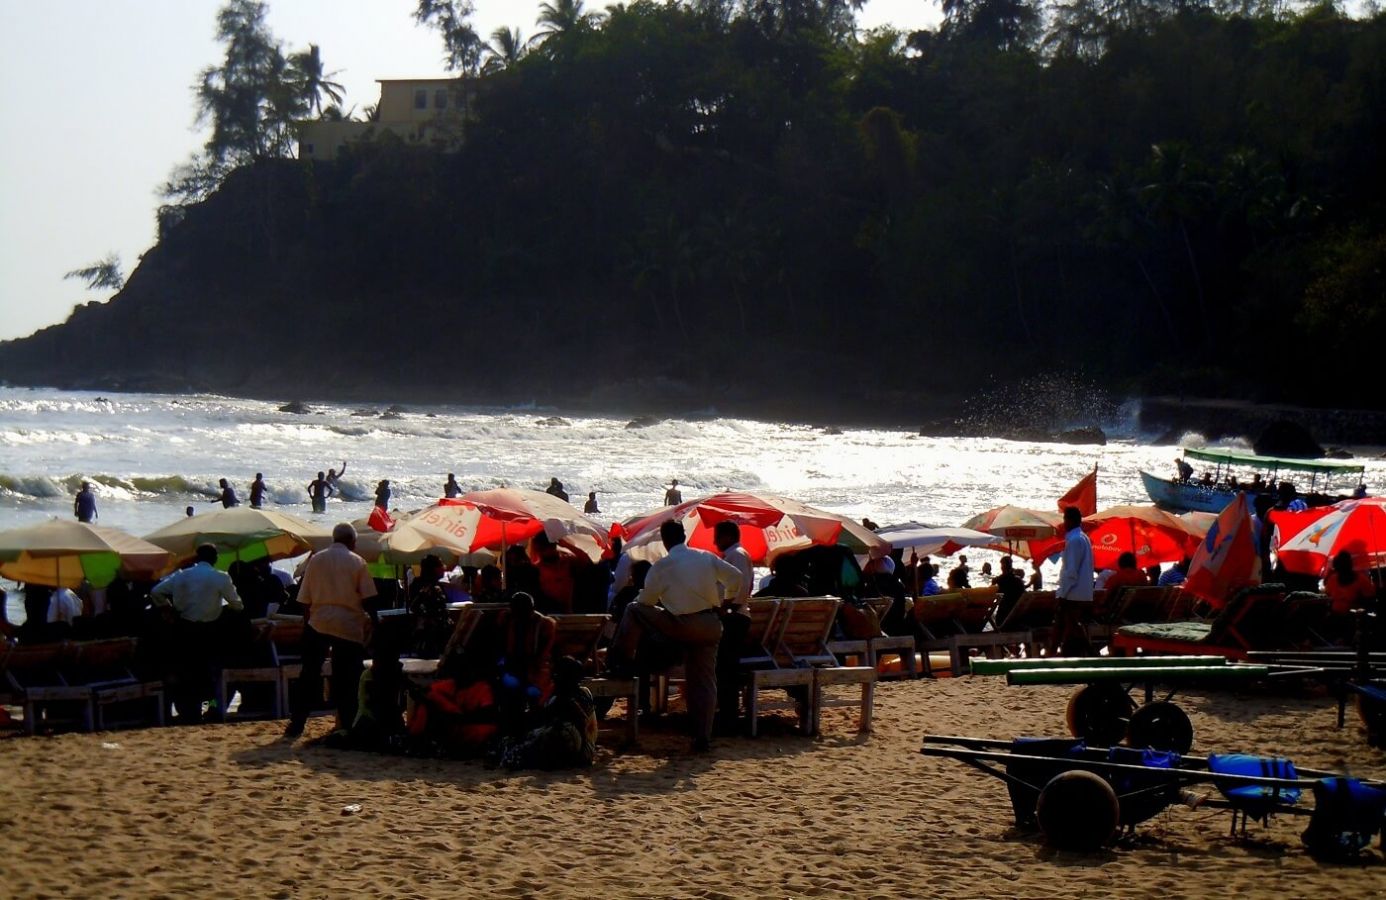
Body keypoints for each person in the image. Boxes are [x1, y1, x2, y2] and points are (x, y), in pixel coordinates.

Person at [610, 520, 743, 751]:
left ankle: (620, 660)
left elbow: (646, 601)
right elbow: (736, 577)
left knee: (633, 609)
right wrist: (726, 602)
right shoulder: (706, 556)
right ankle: (702, 737)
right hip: (710, 623)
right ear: (684, 536)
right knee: (704, 681)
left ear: (665, 540)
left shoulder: (663, 565)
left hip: (681, 624)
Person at [286, 523, 378, 739]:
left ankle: (297, 723)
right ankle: (346, 721)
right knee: (347, 677)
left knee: (309, 674)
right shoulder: (357, 562)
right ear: (352, 542)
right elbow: (369, 599)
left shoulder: (316, 560)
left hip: (318, 622)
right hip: (348, 625)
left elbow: (304, 599)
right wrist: (374, 624)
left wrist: (307, 625)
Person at [150, 543, 243, 723]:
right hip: (210, 632)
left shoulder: (181, 576)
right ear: (215, 559)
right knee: (210, 675)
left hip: (184, 630)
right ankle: (211, 709)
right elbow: (237, 605)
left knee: (188, 673)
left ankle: (189, 712)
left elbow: (156, 592)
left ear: (196, 558)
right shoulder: (220, 577)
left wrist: (167, 609)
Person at [498, 655, 598, 770]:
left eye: (555, 676)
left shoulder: (564, 700)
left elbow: (538, 719)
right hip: (586, 753)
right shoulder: (585, 692)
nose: (553, 679)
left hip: (577, 755)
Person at [712, 521, 754, 730]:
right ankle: (728, 713)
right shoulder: (740, 554)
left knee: (725, 668)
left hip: (733, 616)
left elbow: (734, 589)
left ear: (727, 536)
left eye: (717, 536)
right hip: (738, 614)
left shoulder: (735, 556)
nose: (714, 541)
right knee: (727, 667)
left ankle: (728, 716)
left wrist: (721, 607)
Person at [496, 591, 556, 732]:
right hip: (512, 667)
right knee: (510, 688)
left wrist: (529, 673)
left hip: (534, 670)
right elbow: (500, 648)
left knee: (531, 692)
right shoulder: (506, 619)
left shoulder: (544, 625)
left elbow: (542, 655)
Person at [1050, 506, 1094, 656]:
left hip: (1073, 593)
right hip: (1082, 592)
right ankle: (1057, 655)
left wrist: (1062, 594)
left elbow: (1071, 572)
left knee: (1071, 626)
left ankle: (1091, 653)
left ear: (1070, 520)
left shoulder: (1075, 540)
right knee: (1065, 627)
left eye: (1065, 519)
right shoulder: (1084, 538)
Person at [1323, 550, 1376, 616]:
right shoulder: (1360, 578)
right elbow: (1370, 595)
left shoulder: (1332, 578)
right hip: (1349, 613)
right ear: (1351, 564)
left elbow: (1328, 592)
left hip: (1346, 613)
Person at [991, 556, 1027, 626]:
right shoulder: (1019, 581)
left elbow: (992, 596)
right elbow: (1024, 595)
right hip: (1018, 615)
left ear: (1002, 567)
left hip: (1003, 615)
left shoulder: (999, 580)